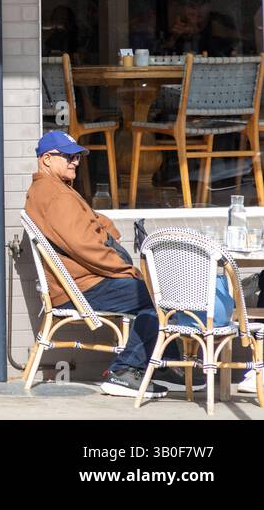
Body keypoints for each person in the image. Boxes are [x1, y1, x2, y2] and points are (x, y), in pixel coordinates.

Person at [25, 130, 211, 398]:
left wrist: (103, 230)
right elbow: (85, 247)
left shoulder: (53, 190)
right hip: (83, 287)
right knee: (161, 296)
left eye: (77, 156)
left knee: (154, 297)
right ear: (46, 159)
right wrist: (125, 271)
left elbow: (96, 224)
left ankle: (160, 367)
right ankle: (124, 371)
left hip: (83, 283)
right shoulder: (55, 195)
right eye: (67, 156)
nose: (75, 161)